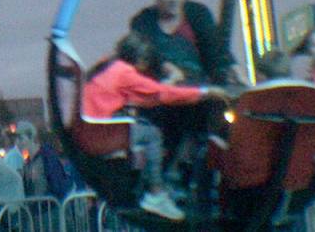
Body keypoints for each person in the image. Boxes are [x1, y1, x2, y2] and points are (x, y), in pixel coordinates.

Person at [82, 32, 229, 222]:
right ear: (140, 58)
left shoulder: (107, 66)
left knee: (141, 130)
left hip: (90, 131)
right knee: (152, 135)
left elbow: (143, 96)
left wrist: (165, 86)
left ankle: (148, 186)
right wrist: (205, 92)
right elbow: (161, 94)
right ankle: (156, 192)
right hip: (102, 134)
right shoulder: (124, 72)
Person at [129, 0, 237, 86]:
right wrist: (166, 68)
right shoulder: (142, 21)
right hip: (163, 87)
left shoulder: (198, 13)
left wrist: (232, 67)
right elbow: (146, 53)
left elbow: (216, 48)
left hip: (200, 85)